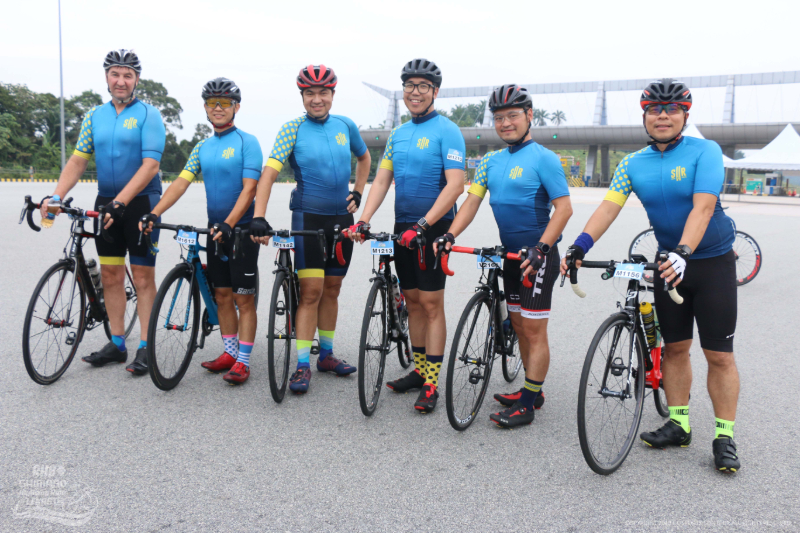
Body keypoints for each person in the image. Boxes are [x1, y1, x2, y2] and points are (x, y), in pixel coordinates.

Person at [560, 79, 741, 472]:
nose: (663, 115)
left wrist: (684, 252)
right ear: (644, 116)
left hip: (710, 263)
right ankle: (679, 424)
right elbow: (609, 207)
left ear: (685, 116)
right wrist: (579, 246)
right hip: (667, 264)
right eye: (655, 109)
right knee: (675, 349)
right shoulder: (632, 163)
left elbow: (704, 207)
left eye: (672, 109)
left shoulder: (705, 151)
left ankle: (724, 436)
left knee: (719, 355)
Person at [433, 84, 572, 427]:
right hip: (510, 257)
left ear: (529, 116)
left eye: (512, 116)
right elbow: (471, 203)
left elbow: (564, 209)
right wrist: (450, 234)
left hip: (537, 257)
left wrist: (542, 248)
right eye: (499, 118)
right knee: (520, 326)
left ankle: (527, 404)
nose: (505, 123)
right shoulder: (490, 162)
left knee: (534, 331)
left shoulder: (544, 158)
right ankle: (532, 390)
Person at [41, 49, 165, 375]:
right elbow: (78, 160)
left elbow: (150, 165)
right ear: (107, 77)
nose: (121, 81)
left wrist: (121, 202)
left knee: (142, 277)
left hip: (142, 203)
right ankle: (118, 343)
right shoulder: (94, 116)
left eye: (127, 75)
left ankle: (146, 346)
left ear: (137, 80)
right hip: (106, 201)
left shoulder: (149, 114)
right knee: (110, 274)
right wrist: (56, 196)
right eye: (115, 74)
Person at [352, 58, 465, 413]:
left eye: (423, 86)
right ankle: (419, 371)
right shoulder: (398, 134)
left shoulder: (448, 130)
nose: (415, 92)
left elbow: (455, 185)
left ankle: (432, 382)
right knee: (412, 301)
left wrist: (424, 225)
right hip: (404, 229)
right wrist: (363, 219)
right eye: (409, 86)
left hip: (433, 228)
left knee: (431, 305)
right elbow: (382, 179)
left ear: (435, 92)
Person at [249, 65, 370, 394]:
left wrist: (358, 192)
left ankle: (326, 356)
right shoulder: (293, 128)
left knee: (332, 289)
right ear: (302, 96)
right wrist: (259, 216)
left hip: (341, 221)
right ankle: (302, 364)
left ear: (333, 94)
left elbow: (364, 159)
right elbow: (269, 174)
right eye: (310, 93)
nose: (317, 99)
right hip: (308, 219)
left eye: (323, 93)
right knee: (311, 292)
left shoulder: (345, 125)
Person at [141, 78, 262, 384]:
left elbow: (249, 190)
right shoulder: (202, 147)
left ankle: (243, 361)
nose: (218, 108)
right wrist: (155, 212)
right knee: (221, 295)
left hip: (241, 231)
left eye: (225, 103)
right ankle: (230, 353)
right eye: (212, 103)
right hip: (216, 230)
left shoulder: (248, 142)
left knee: (243, 299)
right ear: (206, 108)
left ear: (236, 107)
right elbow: (181, 183)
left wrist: (230, 223)